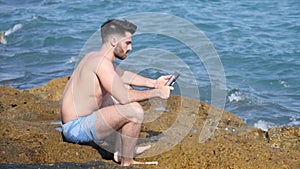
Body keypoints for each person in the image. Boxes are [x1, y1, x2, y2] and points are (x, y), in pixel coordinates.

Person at [60, 19, 173, 166]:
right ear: (114, 40)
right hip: (76, 128)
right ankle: (127, 161)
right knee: (134, 110)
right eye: (127, 43)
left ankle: (121, 151)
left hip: (75, 122)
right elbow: (124, 98)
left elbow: (124, 75)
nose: (130, 48)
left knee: (124, 88)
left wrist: (154, 83)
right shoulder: (102, 63)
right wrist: (156, 93)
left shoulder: (93, 56)